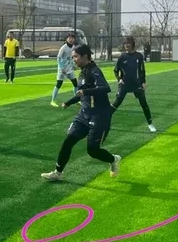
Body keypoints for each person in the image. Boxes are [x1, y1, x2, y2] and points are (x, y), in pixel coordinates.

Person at [41, 44, 121, 181]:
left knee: (93, 151)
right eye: (73, 57)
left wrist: (85, 91)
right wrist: (69, 102)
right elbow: (82, 94)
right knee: (68, 141)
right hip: (83, 115)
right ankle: (57, 173)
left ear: (85, 56)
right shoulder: (83, 72)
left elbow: (105, 88)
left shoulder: (94, 71)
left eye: (76, 56)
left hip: (99, 116)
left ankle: (113, 159)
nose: (74, 59)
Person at [111, 36, 156, 132]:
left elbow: (142, 70)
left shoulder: (139, 56)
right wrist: (119, 79)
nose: (126, 45)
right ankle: (103, 120)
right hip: (125, 84)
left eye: (128, 43)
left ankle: (150, 124)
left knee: (144, 104)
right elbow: (116, 70)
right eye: (125, 43)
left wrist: (143, 82)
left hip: (137, 84)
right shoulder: (122, 57)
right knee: (116, 103)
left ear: (132, 44)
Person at [50, 33, 78, 107]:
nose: (71, 40)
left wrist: (74, 65)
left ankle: (77, 99)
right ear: (67, 39)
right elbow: (59, 58)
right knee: (58, 84)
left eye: (72, 38)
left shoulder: (74, 47)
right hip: (62, 70)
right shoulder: (63, 48)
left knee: (75, 84)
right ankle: (53, 101)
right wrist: (62, 68)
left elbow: (72, 58)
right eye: (69, 38)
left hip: (70, 69)